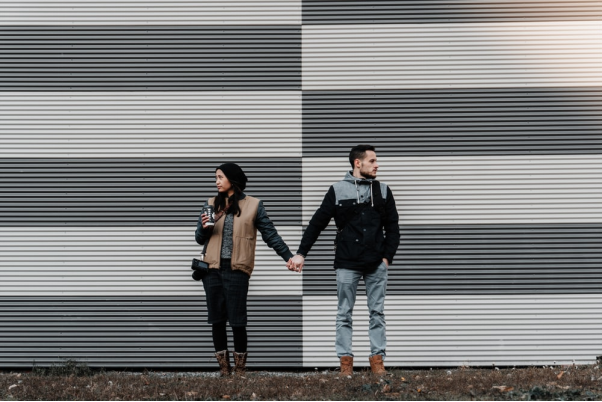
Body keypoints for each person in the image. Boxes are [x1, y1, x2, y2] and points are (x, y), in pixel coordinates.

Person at [288, 145, 400, 376]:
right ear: (357, 163)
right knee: (344, 313)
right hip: (346, 262)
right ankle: (345, 363)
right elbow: (317, 223)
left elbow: (393, 229)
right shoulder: (337, 190)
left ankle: (378, 361)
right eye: (372, 161)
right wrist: (301, 253)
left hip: (376, 264)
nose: (377, 165)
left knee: (376, 312)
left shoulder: (384, 191)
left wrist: (386, 258)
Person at [195, 163, 297, 376]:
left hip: (237, 270)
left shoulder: (254, 205)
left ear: (232, 179)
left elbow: (271, 235)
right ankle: (224, 370)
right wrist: (205, 228)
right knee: (217, 320)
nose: (216, 181)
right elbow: (198, 238)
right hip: (211, 271)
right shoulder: (210, 204)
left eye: (220, 177)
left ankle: (240, 371)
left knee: (238, 321)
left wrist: (288, 256)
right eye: (215, 177)